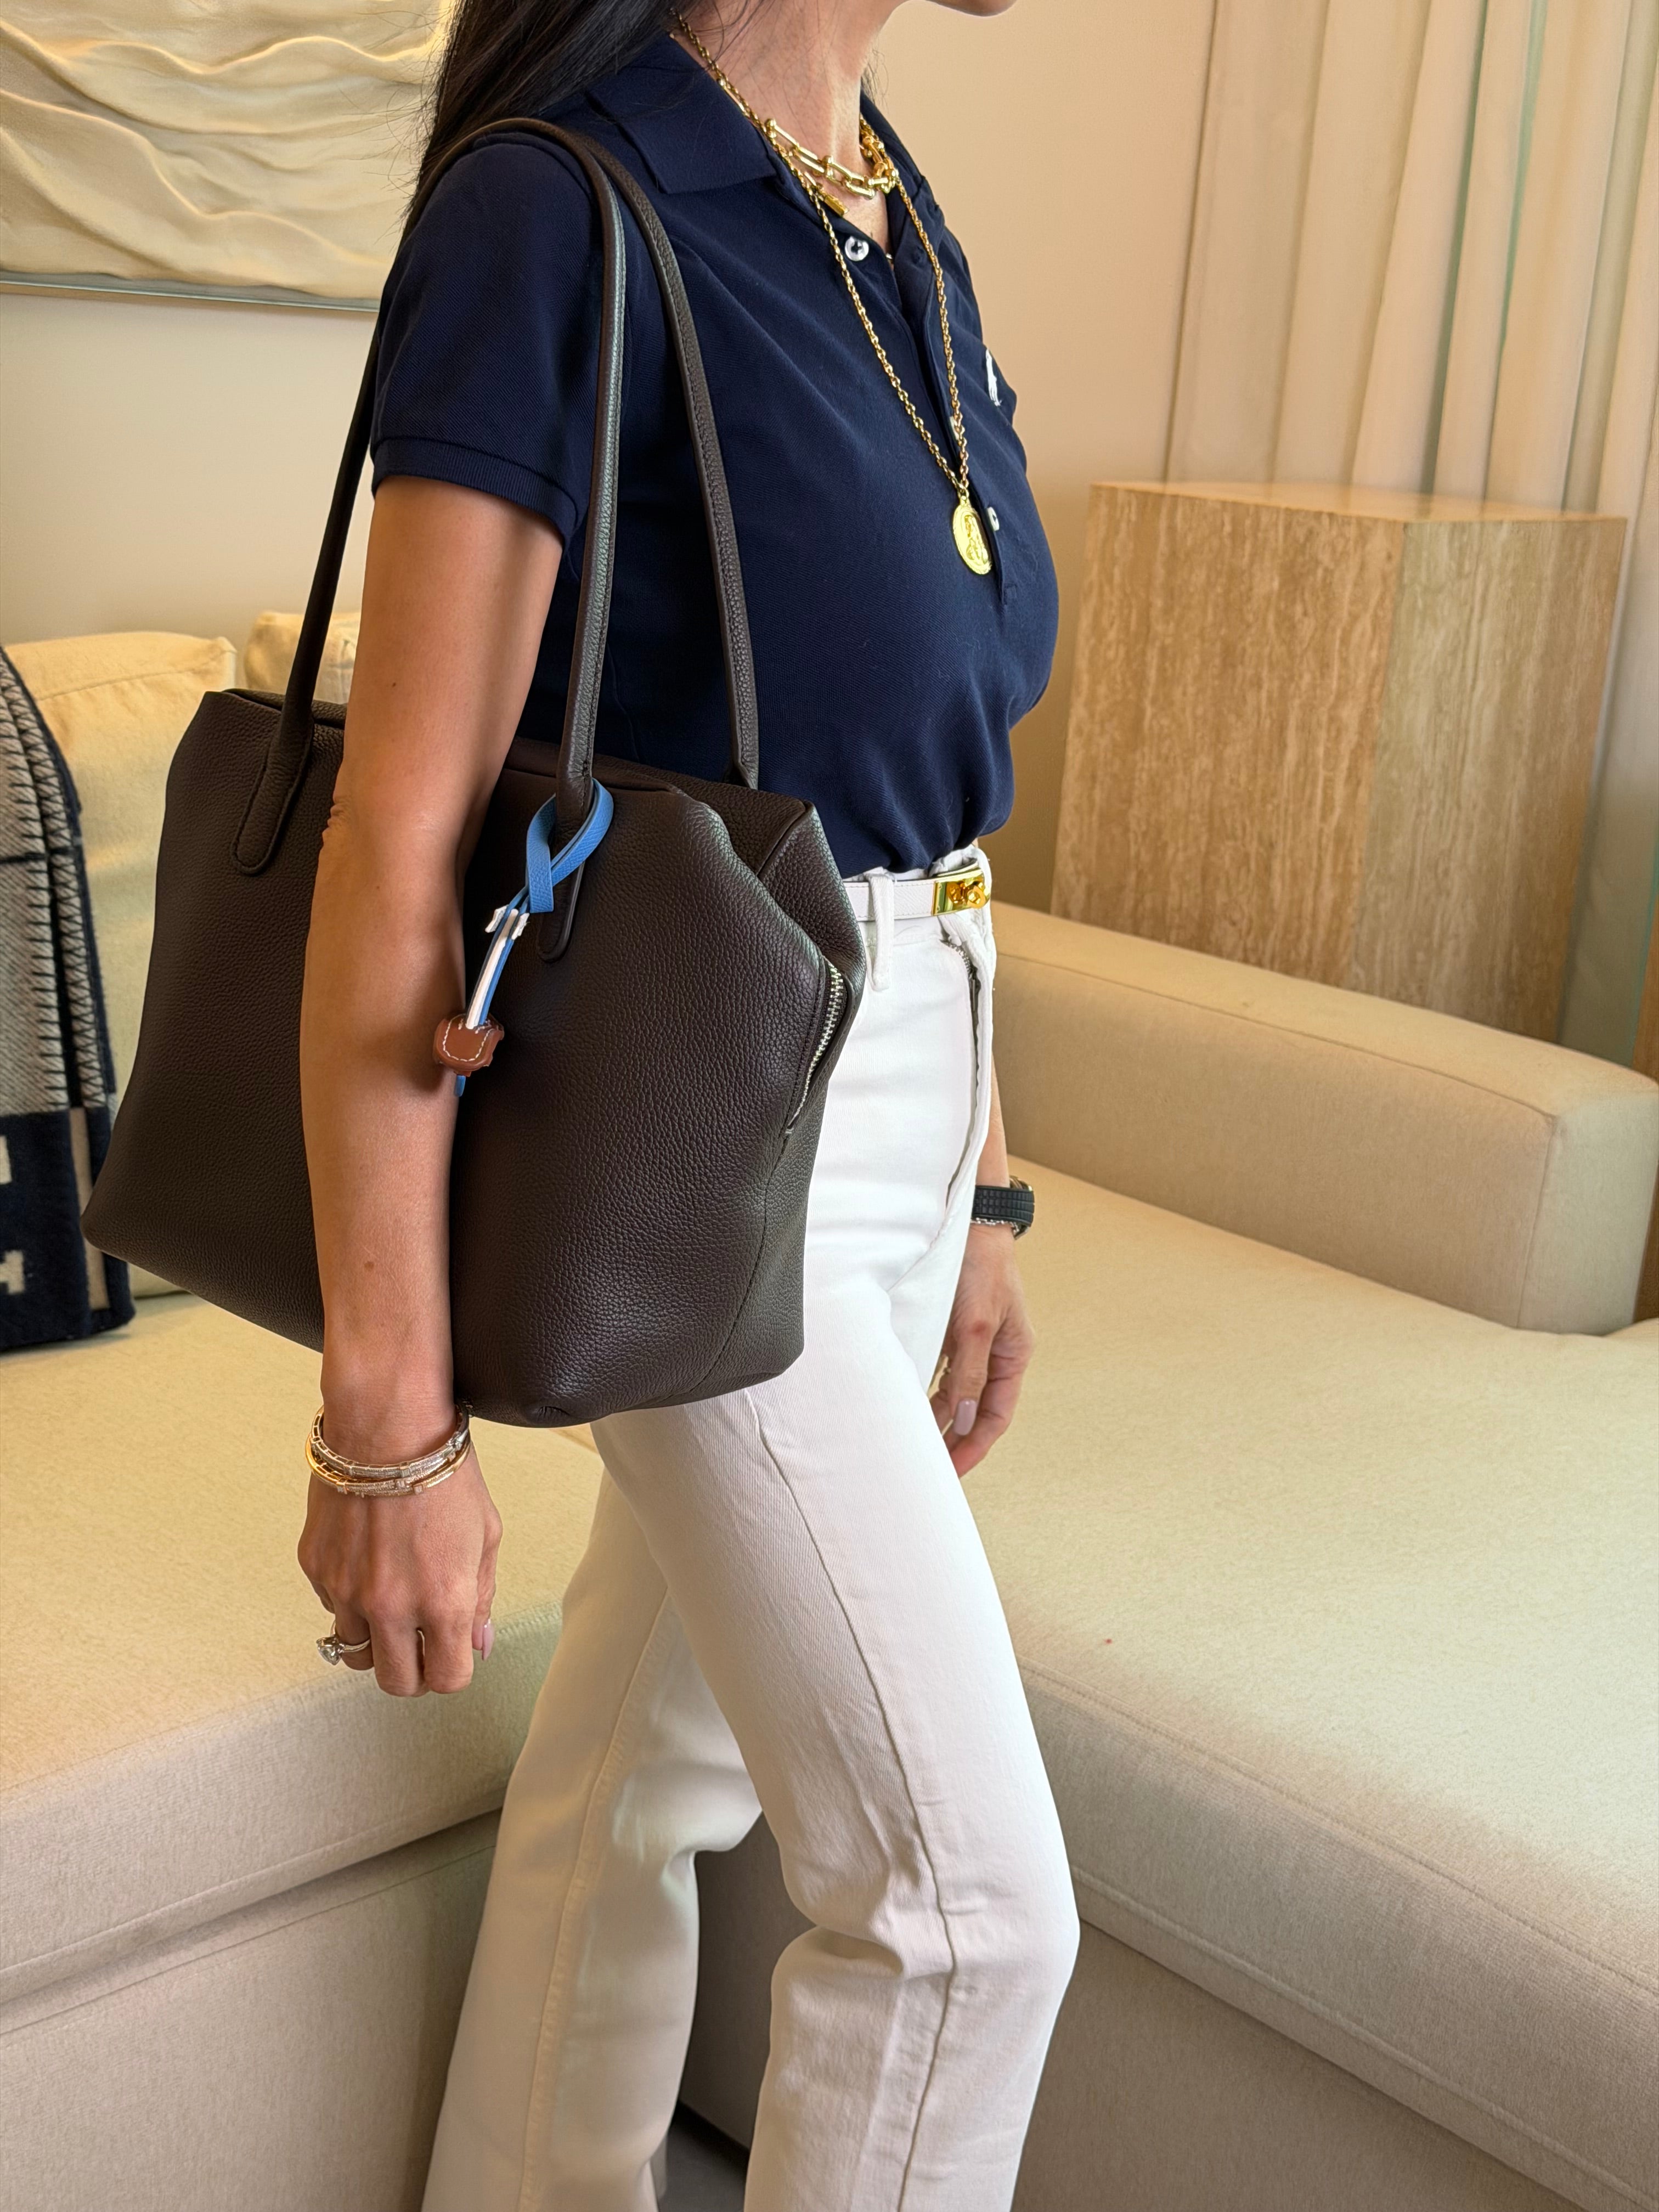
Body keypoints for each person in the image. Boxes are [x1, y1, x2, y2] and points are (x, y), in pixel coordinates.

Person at [294, 1, 1079, 2204]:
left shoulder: (883, 205)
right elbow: (402, 840)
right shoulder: (563, 205)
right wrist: (389, 1419)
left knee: (641, 1783)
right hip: (705, 1128)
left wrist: (981, 1190)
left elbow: (924, 792)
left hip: (901, 1084)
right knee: (966, 1925)